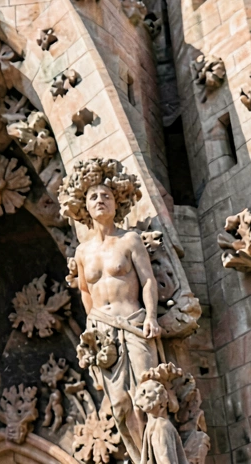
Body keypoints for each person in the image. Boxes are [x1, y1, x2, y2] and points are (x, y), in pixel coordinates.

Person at [62, 158, 159, 463]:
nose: (100, 201)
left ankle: (156, 455)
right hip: (103, 332)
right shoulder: (82, 252)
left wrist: (152, 317)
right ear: (85, 209)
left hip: (133, 323)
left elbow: (148, 281)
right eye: (93, 197)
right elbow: (86, 295)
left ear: (117, 203)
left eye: (106, 196)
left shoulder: (129, 240)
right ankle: (141, 457)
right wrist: (92, 331)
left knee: (145, 396)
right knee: (118, 405)